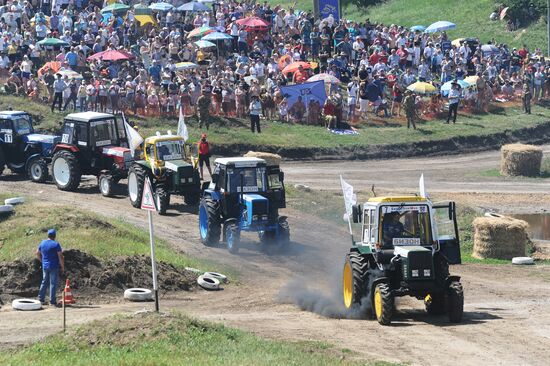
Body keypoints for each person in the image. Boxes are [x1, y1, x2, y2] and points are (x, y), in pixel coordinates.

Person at [36, 229, 65, 306]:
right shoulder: (56, 244)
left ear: (48, 235)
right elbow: (61, 257)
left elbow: (37, 253)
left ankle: (41, 299)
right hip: (54, 266)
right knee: (53, 283)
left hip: (45, 266)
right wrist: (62, 267)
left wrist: (42, 261)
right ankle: (52, 301)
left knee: (44, 281)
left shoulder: (42, 243)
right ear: (54, 236)